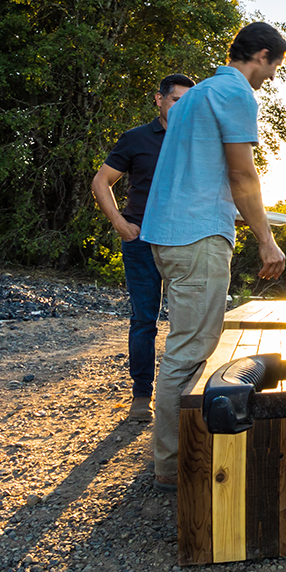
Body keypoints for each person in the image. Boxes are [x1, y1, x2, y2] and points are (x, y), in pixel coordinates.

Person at [139, 22, 286, 491]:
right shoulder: (237, 92)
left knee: (185, 348)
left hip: (170, 233)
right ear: (261, 55)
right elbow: (243, 175)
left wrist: (239, 216)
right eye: (274, 67)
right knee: (189, 354)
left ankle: (172, 456)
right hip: (197, 238)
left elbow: (200, 174)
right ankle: (174, 465)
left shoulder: (194, 97)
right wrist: (268, 240)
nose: (269, 78)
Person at [88, 73, 194, 423]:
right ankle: (140, 395)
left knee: (185, 321)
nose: (182, 107)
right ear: (160, 99)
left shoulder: (196, 141)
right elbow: (101, 181)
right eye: (177, 100)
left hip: (183, 241)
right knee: (144, 320)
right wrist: (119, 222)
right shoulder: (135, 139)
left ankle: (183, 395)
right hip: (141, 240)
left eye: (187, 102)